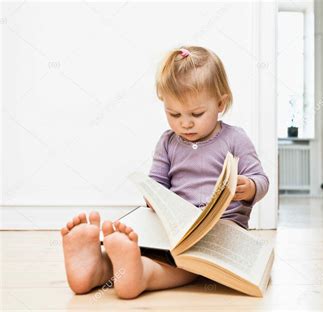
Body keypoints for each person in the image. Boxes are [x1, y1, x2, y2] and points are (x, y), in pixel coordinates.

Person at [61, 46, 269, 299]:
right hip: (175, 230)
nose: (185, 123)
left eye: (197, 114)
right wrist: (154, 199)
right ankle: (98, 268)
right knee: (157, 250)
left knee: (189, 266)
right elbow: (157, 184)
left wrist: (250, 186)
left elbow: (261, 180)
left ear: (220, 103)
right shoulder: (168, 142)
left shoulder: (235, 139)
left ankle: (140, 275)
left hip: (221, 232)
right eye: (174, 114)